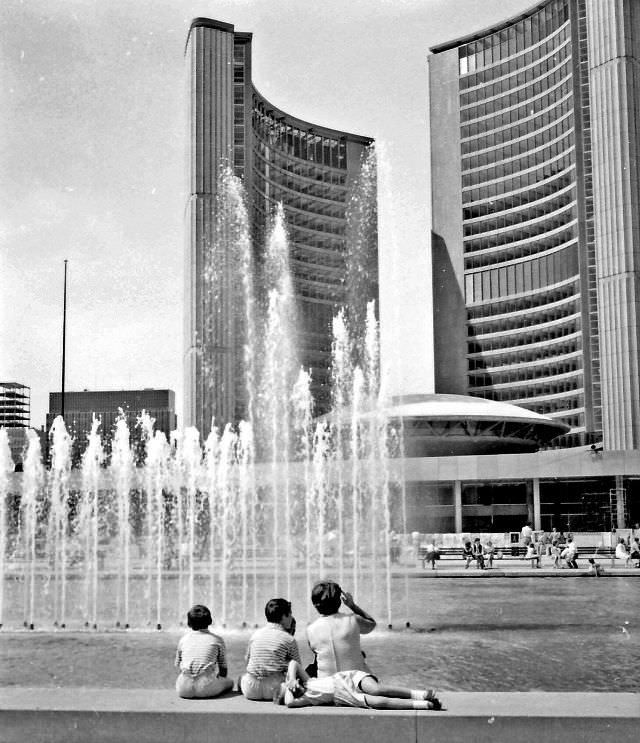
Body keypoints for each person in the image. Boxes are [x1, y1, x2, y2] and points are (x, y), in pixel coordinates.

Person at [274, 659, 442, 711]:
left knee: (377, 689)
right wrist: (289, 691)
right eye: (291, 691)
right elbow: (289, 703)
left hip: (347, 677)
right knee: (377, 702)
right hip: (344, 696)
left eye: (291, 686)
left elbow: (294, 663)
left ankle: (419, 694)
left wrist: (290, 679)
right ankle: (422, 704)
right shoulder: (306, 698)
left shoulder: (307, 680)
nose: (295, 688)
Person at [306, 581, 375, 678]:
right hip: (356, 682)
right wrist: (352, 605)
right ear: (339, 601)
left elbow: (316, 651)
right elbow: (371, 624)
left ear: (314, 604)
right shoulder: (353, 620)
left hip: (326, 685)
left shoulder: (310, 630)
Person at [240, 597, 301, 700]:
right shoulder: (289, 639)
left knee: (242, 678)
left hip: (251, 690)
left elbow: (247, 661)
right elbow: (297, 668)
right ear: (283, 616)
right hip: (274, 689)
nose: (291, 617)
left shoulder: (255, 635)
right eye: (290, 614)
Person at [174, 604, 233, 699]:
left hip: (183, 689)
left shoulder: (183, 640)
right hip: (206, 688)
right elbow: (223, 670)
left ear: (189, 623)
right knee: (230, 682)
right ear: (210, 621)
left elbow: (179, 667)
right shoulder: (217, 640)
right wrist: (218, 680)